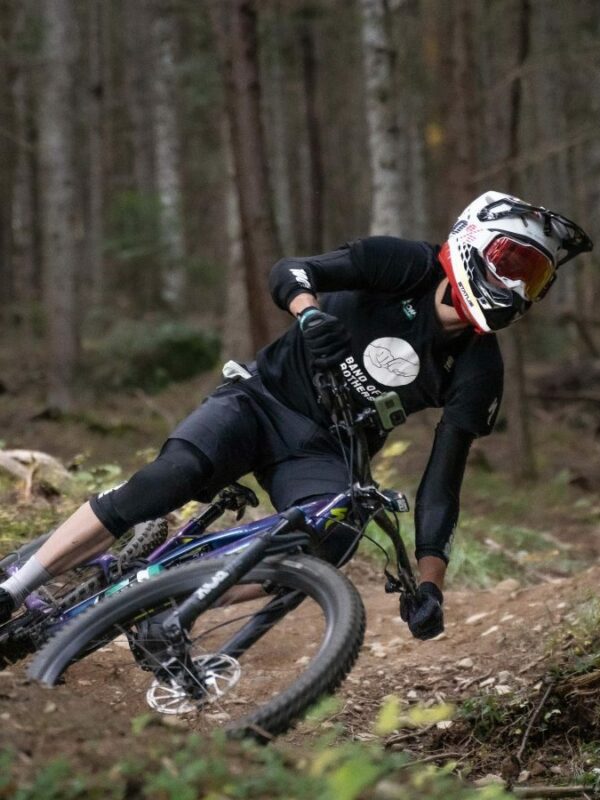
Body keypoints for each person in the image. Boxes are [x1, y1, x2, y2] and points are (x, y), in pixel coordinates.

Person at [0, 191, 592, 639]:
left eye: (533, 276)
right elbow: (292, 270)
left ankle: (169, 601)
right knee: (169, 479)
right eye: (509, 261)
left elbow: (443, 482)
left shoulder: (479, 368)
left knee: (331, 540)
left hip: (324, 451)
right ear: (469, 241)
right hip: (259, 402)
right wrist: (309, 314)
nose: (515, 286)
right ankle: (14, 586)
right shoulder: (405, 265)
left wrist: (432, 584)